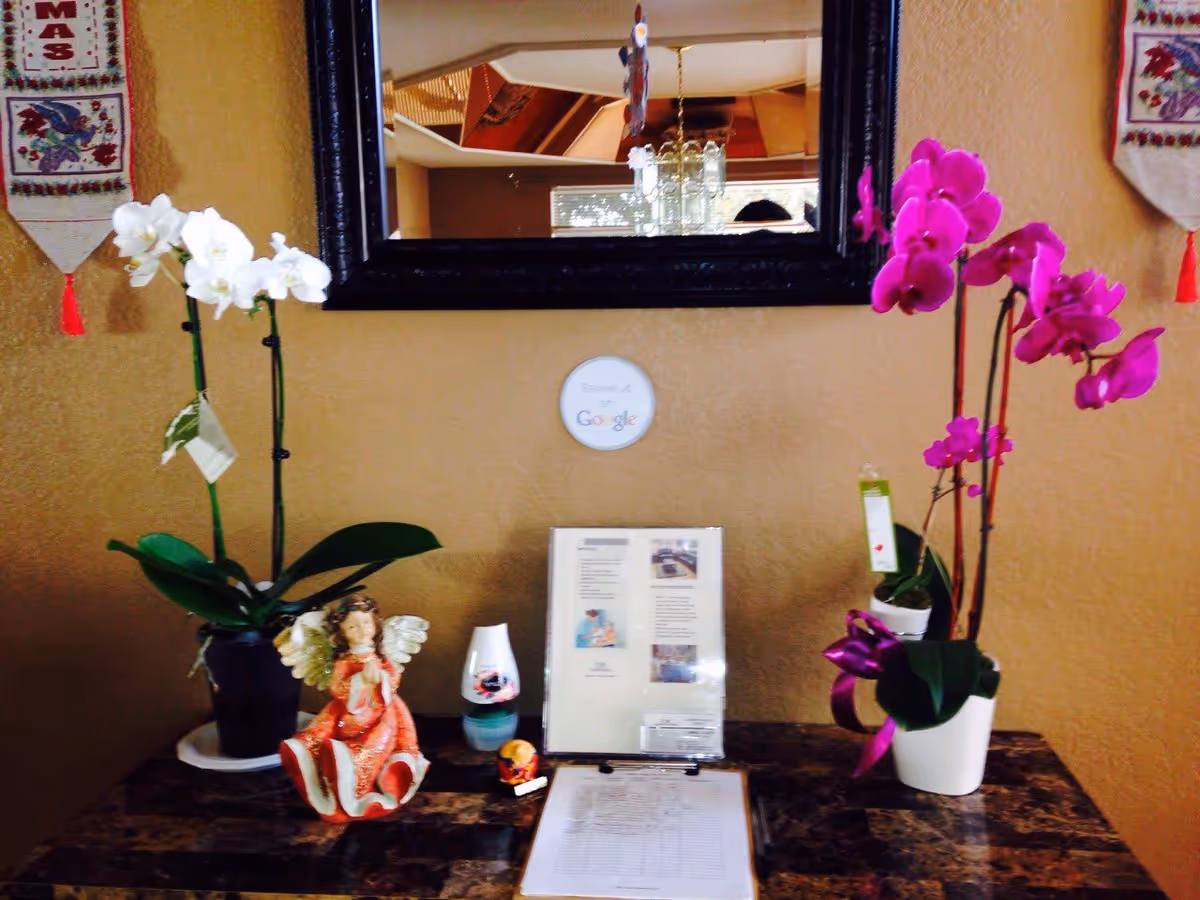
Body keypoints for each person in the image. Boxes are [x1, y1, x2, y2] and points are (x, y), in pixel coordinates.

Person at [279, 593, 427, 822]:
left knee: (380, 741)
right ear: (342, 632)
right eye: (352, 626)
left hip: (382, 713)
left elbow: (393, 678)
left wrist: (380, 678)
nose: (361, 630)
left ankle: (356, 777)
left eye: (366, 622)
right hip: (349, 714)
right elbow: (337, 687)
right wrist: (360, 681)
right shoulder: (343, 662)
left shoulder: (381, 658)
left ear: (375, 624)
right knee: (323, 732)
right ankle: (330, 773)